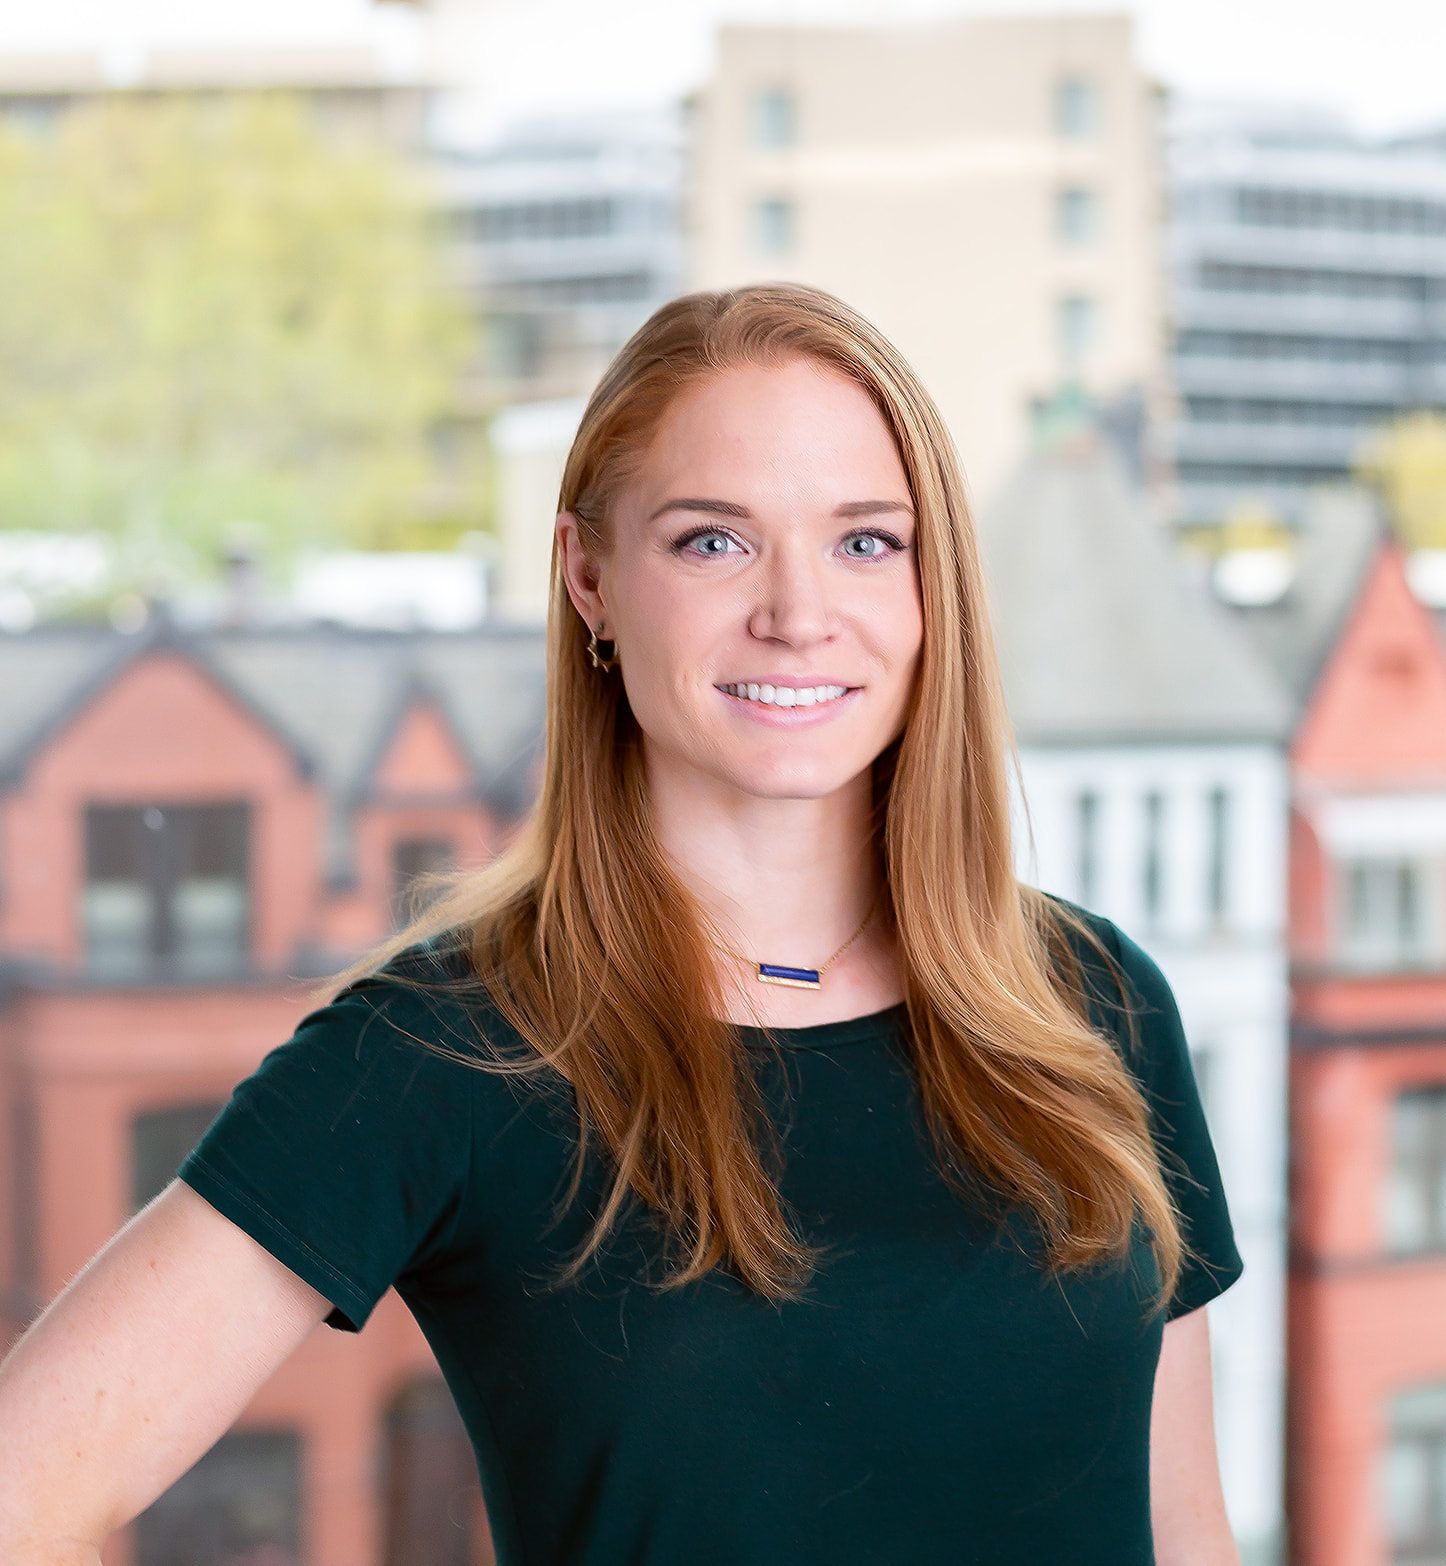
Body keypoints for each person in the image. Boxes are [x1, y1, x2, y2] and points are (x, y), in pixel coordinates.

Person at [0, 284, 1242, 1566]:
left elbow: (1183, 1527)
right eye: (714, 541)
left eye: (866, 541)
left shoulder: (1093, 1002)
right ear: (589, 578)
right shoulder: (453, 1051)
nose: (799, 611)